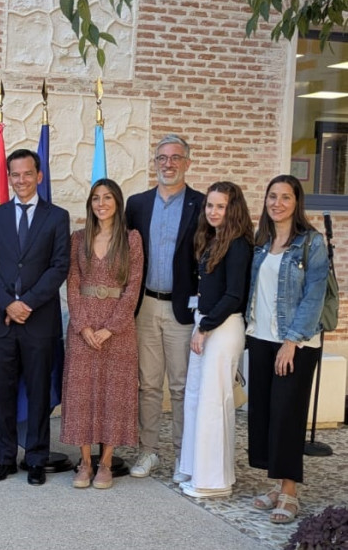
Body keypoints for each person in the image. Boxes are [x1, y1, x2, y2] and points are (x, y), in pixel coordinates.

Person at [0, 149, 70, 486]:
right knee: (3, 392)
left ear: (39, 176)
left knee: (38, 392)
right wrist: (8, 304)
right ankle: (5, 457)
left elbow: (59, 266)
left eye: (27, 173)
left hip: (39, 321)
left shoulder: (57, 217)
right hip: (1, 320)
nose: (21, 180)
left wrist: (26, 303)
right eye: (15, 175)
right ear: (9, 178)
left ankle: (36, 458)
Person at [245, 175, 327, 525]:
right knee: (264, 414)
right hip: (260, 337)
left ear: (297, 203)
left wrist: (291, 341)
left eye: (285, 197)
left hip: (296, 343)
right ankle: (277, 484)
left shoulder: (311, 242)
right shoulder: (261, 241)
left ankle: (290, 491)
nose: (277, 203)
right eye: (272, 196)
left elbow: (314, 295)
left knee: (287, 416)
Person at [125, 134, 205, 479]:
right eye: (162, 158)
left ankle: (184, 456)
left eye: (175, 158)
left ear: (187, 163)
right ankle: (148, 451)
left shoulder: (202, 205)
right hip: (145, 306)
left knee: (182, 386)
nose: (168, 164)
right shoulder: (137, 204)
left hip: (182, 310)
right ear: (155, 162)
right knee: (148, 385)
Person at [61, 179, 143, 490]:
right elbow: (72, 283)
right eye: (96, 198)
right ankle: (84, 461)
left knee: (114, 394)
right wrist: (83, 326)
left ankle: (106, 462)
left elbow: (133, 287)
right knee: (81, 393)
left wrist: (110, 328)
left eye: (108, 197)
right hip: (83, 326)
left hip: (117, 328)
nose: (101, 203)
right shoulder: (78, 238)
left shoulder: (131, 239)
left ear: (117, 202)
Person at [176, 181, 254, 499]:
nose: (213, 211)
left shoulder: (238, 244)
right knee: (196, 397)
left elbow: (234, 295)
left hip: (222, 328)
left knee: (213, 401)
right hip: (206, 324)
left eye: (221, 206)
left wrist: (204, 327)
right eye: (210, 205)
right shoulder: (214, 239)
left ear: (233, 209)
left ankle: (213, 482)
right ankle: (195, 468)